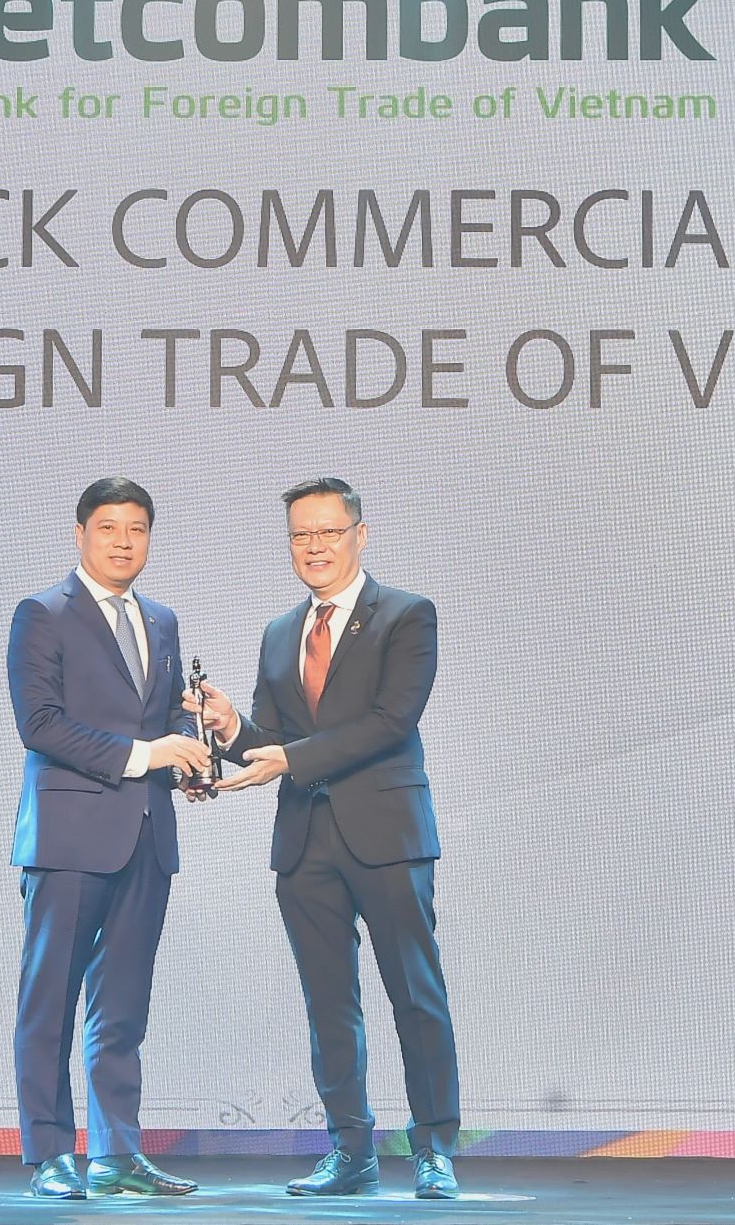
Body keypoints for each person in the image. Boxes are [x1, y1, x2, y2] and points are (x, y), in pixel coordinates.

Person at [194, 476, 461, 1200]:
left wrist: (289, 758)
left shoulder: (406, 615)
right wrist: (229, 727)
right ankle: (350, 1150)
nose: (314, 546)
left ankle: (435, 1150)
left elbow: (391, 722)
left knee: (416, 994)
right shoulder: (281, 632)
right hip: (305, 841)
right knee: (329, 1005)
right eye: (301, 535)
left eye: (328, 532)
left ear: (359, 535)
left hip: (387, 835)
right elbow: (271, 742)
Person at [7, 477, 212, 1199]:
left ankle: (117, 1154)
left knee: (122, 1009)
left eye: (137, 529)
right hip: (69, 839)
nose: (124, 542)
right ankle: (50, 1154)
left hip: (147, 835)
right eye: (108, 528)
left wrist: (187, 757)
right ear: (80, 534)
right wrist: (148, 754)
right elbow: (40, 724)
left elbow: (168, 717)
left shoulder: (161, 619)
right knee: (51, 1004)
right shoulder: (43, 613)